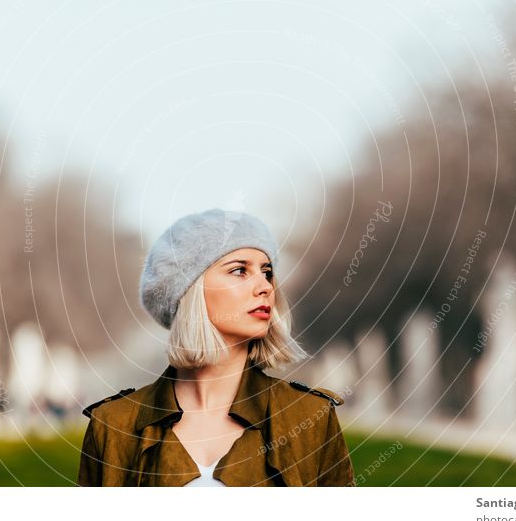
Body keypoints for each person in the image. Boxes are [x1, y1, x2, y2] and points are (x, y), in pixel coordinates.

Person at [77, 208, 354, 487]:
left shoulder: (310, 417)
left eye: (266, 272)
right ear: (189, 291)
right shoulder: (112, 425)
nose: (265, 287)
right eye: (239, 270)